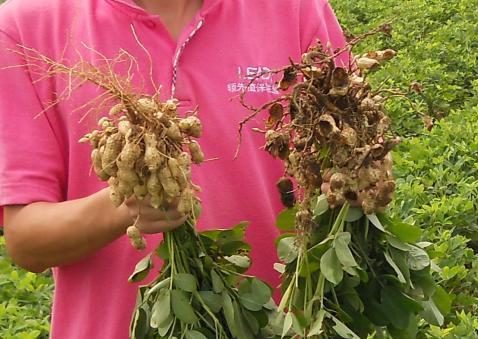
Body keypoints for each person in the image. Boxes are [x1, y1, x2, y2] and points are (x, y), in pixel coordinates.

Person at [0, 0, 349, 337]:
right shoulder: (25, 26)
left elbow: (345, 165)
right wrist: (126, 204)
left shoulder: (296, 9)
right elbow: (27, 241)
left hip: (277, 324)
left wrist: (360, 170)